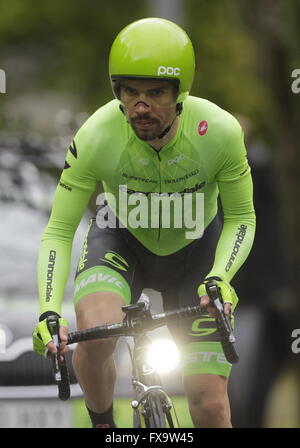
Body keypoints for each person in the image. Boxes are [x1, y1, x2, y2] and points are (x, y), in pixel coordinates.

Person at [32, 18, 255, 428]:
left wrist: (222, 277)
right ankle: (104, 426)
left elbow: (242, 217)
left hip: (196, 252)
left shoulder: (219, 131)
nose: (140, 106)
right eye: (130, 92)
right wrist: (48, 310)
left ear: (179, 93)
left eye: (155, 93)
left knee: (210, 406)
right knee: (97, 333)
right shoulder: (98, 134)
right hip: (120, 240)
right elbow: (58, 232)